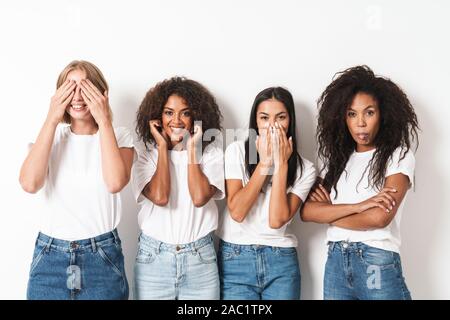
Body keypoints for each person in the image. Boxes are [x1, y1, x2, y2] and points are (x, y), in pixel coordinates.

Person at [301, 65, 419, 300]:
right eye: (352, 114)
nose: (361, 123)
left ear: (383, 114)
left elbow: (379, 218)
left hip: (375, 260)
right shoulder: (335, 161)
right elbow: (307, 212)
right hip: (335, 262)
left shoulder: (398, 155)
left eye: (369, 112)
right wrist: (360, 206)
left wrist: (331, 214)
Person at [19, 60, 134, 300]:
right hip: (50, 256)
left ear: (101, 93)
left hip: (101, 256)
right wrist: (52, 118)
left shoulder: (119, 135)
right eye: (70, 88)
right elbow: (30, 184)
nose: (78, 96)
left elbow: (115, 183)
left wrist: (104, 120)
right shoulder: (50, 136)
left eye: (85, 87)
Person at [216, 87, 316, 300]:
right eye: (264, 118)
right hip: (235, 258)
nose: (272, 125)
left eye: (280, 117)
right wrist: (265, 162)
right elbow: (238, 212)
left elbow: (276, 220)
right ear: (255, 121)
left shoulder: (305, 169)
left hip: (281, 262)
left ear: (290, 121)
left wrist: (280, 164)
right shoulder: (237, 151)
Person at [132, 76, 224, 299]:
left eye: (185, 112)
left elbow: (200, 197)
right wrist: (163, 148)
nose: (177, 120)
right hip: (153, 259)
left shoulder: (211, 155)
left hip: (200, 259)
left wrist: (192, 150)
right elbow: (161, 197)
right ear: (157, 117)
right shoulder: (145, 156)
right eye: (168, 112)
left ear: (196, 117)